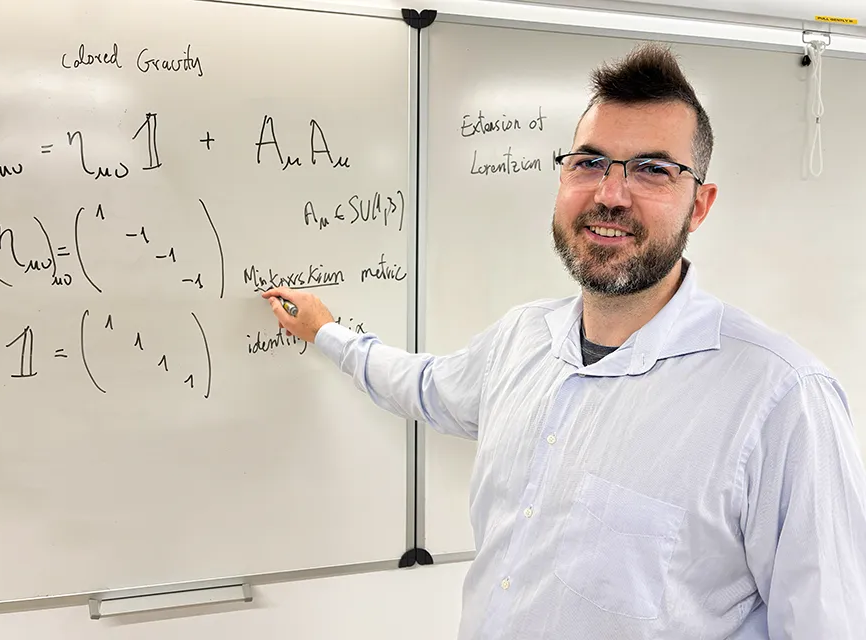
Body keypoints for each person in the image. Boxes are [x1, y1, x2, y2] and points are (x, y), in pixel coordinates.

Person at [262, 42, 866, 639]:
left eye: (653, 169)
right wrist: (327, 332)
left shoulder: (782, 401)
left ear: (699, 206)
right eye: (589, 162)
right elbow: (423, 386)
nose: (609, 194)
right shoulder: (522, 340)